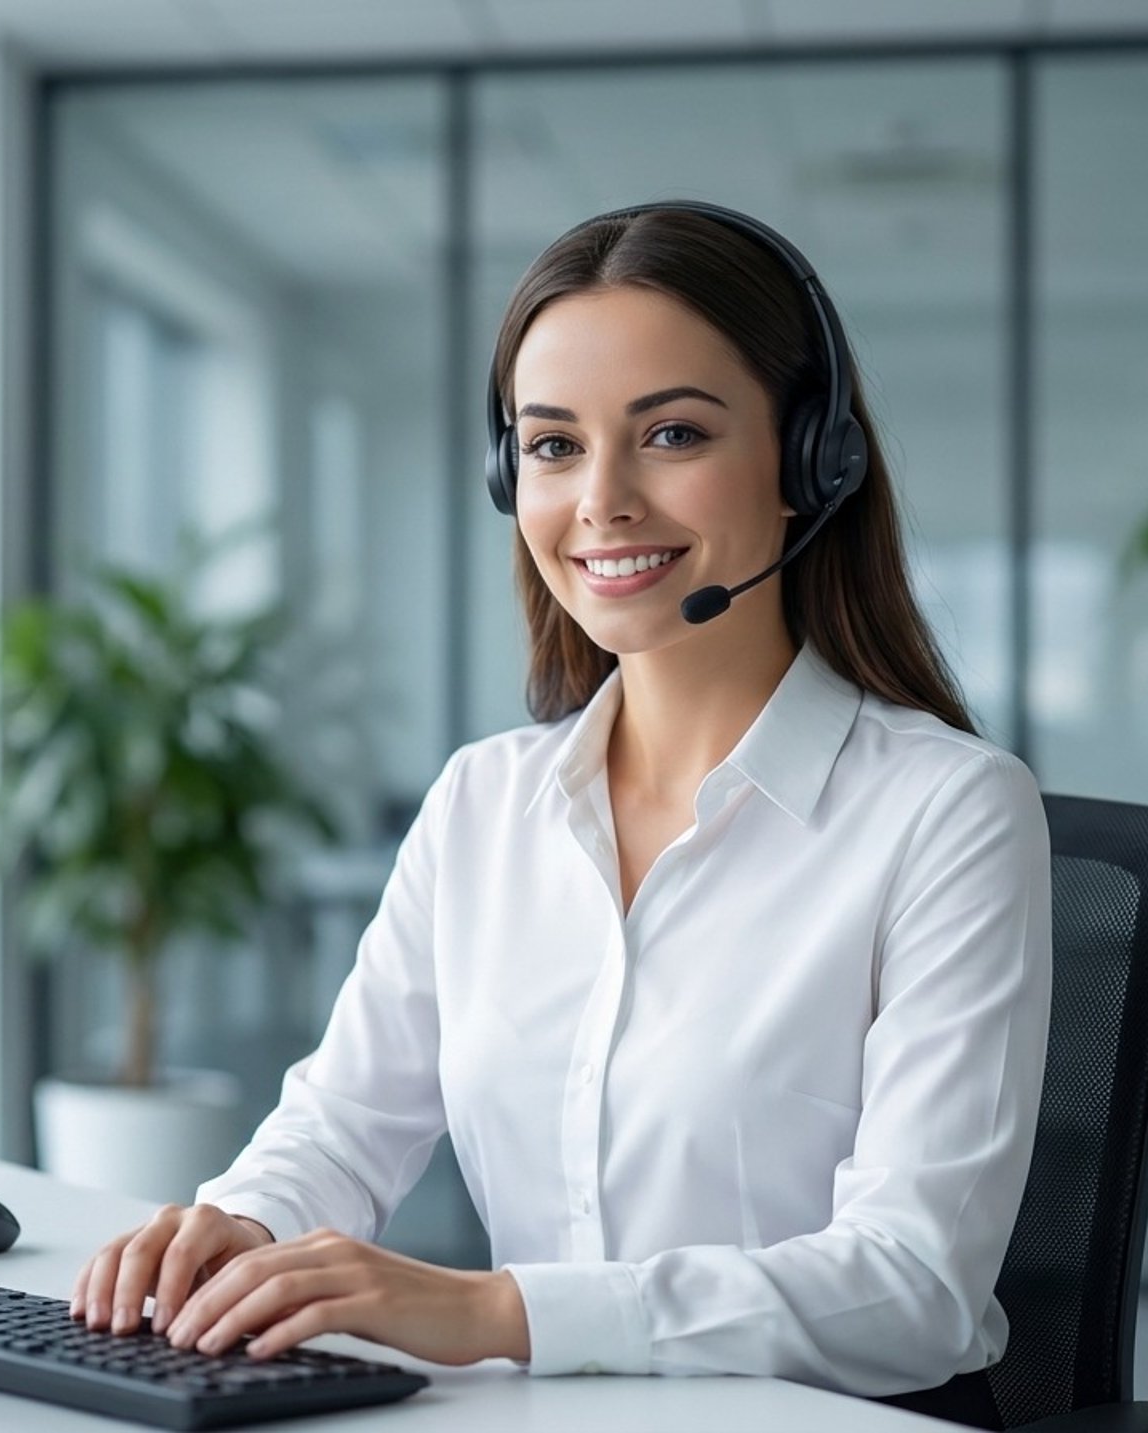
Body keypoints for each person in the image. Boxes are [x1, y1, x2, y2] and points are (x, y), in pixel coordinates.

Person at [70, 202, 1051, 1432]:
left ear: (812, 464)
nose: (603, 499)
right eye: (552, 445)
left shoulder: (948, 811)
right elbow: (344, 1121)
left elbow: (913, 1284)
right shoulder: (484, 803)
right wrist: (241, 1223)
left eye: (673, 434)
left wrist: (499, 1311)